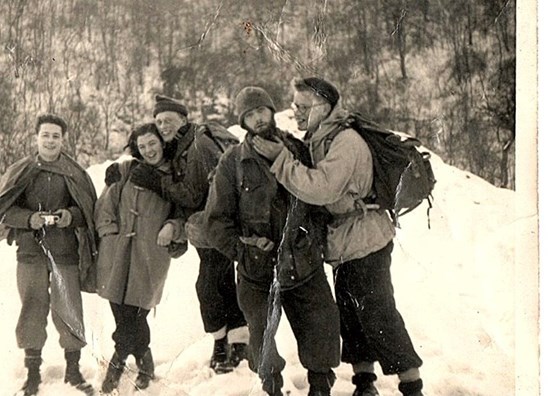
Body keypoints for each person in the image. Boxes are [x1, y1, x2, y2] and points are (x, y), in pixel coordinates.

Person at [253, 77, 425, 396]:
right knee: (351, 314)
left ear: (325, 107)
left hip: (365, 238)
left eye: (303, 107)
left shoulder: (345, 140)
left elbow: (322, 188)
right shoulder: (322, 137)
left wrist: (280, 161)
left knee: (377, 312)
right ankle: (364, 384)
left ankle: (412, 386)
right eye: (295, 106)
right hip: (345, 243)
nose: (297, 113)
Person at [204, 86, 340, 396]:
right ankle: (272, 387)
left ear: (271, 111)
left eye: (261, 111)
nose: (258, 118)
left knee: (321, 327)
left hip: (303, 261)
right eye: (249, 115)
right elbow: (216, 221)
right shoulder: (232, 162)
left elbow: (319, 203)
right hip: (258, 270)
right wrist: (243, 249)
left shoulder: (297, 149)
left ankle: (320, 386)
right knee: (261, 338)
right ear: (243, 122)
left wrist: (311, 239)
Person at [106, 95, 249, 374]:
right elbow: (152, 157)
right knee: (221, 283)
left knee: (208, 285)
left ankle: (224, 345)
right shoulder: (183, 144)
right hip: (207, 227)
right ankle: (237, 344)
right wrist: (121, 167)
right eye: (159, 121)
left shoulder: (198, 143)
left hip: (218, 225)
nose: (163, 126)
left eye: (168, 120)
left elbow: (194, 194)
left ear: (183, 118)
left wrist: (159, 184)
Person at [0, 113, 97, 396]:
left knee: (69, 309)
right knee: (32, 307)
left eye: (56, 136)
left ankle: (73, 371)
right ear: (36, 137)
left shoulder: (75, 172)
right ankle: (32, 374)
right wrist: (29, 219)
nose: (51, 141)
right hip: (30, 253)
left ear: (62, 139)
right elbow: (5, 209)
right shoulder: (22, 170)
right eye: (46, 135)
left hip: (64, 254)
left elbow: (87, 211)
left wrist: (69, 216)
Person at [95, 123, 188, 392]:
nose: (149, 150)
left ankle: (115, 369)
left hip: (150, 256)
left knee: (136, 315)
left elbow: (183, 213)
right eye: (143, 145)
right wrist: (110, 235)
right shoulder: (125, 171)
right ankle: (145, 363)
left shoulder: (175, 176)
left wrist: (173, 227)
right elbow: (105, 207)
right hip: (117, 255)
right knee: (123, 315)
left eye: (153, 143)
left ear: (162, 142)